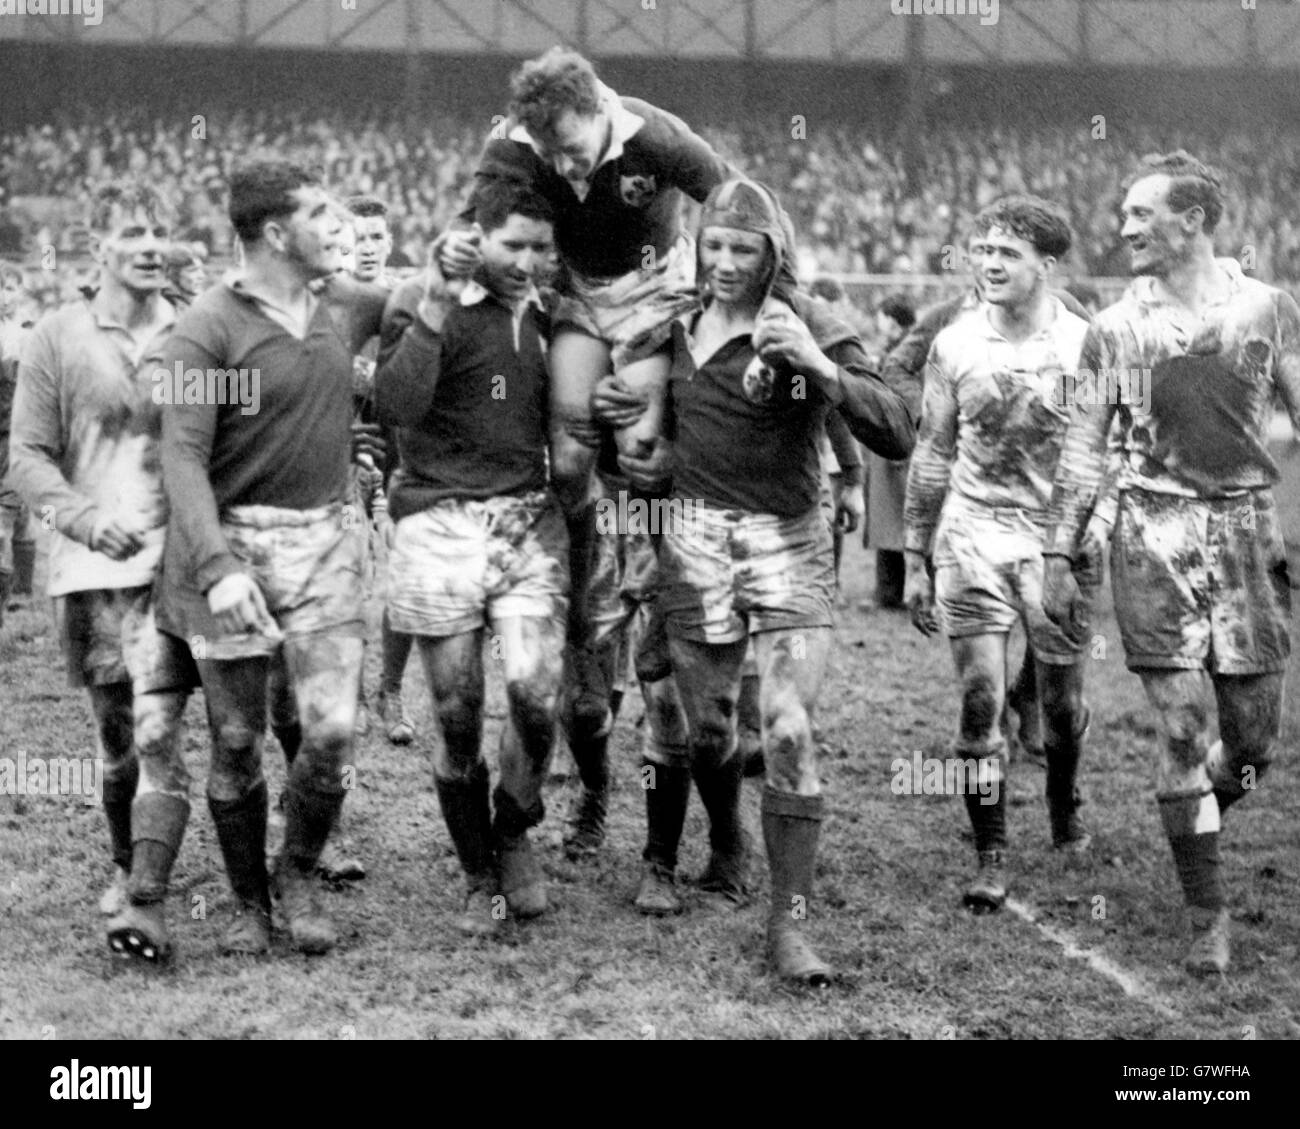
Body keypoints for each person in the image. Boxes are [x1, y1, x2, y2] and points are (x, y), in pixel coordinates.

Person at [626, 177, 913, 982]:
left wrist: (818, 367)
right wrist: (640, 521)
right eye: (711, 244)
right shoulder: (673, 326)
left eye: (741, 248)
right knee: (710, 729)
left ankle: (789, 928)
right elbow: (646, 440)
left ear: (773, 253)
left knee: (786, 728)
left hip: (788, 537)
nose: (723, 262)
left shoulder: (812, 320)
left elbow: (894, 426)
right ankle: (724, 838)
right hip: (693, 539)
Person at [1043, 152, 1300, 975]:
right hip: (1151, 535)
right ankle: (1206, 914)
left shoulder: (1268, 306)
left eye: (1141, 216)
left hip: (1247, 533)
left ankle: (1197, 821)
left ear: (1191, 221)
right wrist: (1058, 546)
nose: (1123, 230)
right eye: (1124, 216)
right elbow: (1084, 445)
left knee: (1254, 746)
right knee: (1184, 728)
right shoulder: (1116, 329)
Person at [158, 160, 388, 956]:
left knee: (330, 733)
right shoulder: (206, 328)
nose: (342, 228)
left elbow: (443, 302)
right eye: (323, 214)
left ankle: (297, 872)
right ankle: (249, 900)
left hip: (325, 541)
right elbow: (182, 457)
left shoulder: (347, 304)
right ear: (275, 233)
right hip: (231, 550)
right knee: (234, 738)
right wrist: (219, 568)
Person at [437, 47, 739, 651]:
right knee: (570, 460)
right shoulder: (516, 147)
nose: (565, 168)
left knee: (642, 448)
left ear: (599, 109)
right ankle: (584, 568)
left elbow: (737, 200)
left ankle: (662, 577)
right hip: (575, 290)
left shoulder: (656, 137)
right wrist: (452, 249)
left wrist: (762, 292)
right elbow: (470, 223)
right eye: (551, 155)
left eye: (573, 150)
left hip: (653, 290)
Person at [8, 183, 199, 961]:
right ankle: (125, 859)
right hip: (88, 572)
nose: (153, 244)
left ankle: (146, 900)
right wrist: (87, 519)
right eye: (134, 230)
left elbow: (221, 440)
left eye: (161, 230)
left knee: (162, 734)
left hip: (174, 571)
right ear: (100, 248)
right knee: (116, 739)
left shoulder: (194, 335)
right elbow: (26, 457)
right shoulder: (58, 335)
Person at [374, 180, 570, 936]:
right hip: (437, 518)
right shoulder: (430, 300)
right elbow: (393, 406)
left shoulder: (561, 314)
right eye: (512, 245)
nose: (527, 260)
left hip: (527, 518)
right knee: (457, 712)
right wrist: (432, 300)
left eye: (541, 246)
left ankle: (514, 826)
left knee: (534, 690)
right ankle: (476, 871)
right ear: (477, 239)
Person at [903, 196, 1094, 915]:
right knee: (980, 696)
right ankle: (991, 857)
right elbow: (933, 450)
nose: (988, 264)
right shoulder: (954, 344)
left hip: (1056, 537)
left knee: (1063, 701)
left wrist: (1070, 548)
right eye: (981, 250)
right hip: (972, 531)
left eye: (1006, 253)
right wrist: (919, 549)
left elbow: (1096, 454)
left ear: (1046, 264)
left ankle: (1063, 800)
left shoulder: (1085, 345)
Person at [863, 293, 916, 610]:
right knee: (893, 524)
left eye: (882, 317)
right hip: (889, 446)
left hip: (898, 444)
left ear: (893, 321)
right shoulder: (897, 350)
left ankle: (894, 592)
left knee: (899, 524)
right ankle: (891, 591)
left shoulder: (906, 353)